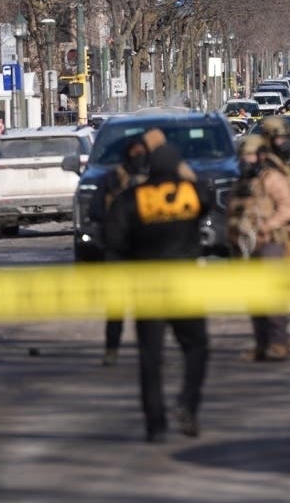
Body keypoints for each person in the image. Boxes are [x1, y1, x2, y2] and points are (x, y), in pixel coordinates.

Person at [103, 143, 212, 443]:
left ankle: (156, 425)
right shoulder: (191, 193)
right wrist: (185, 173)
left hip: (148, 285)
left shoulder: (132, 199)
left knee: (150, 358)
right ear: (177, 166)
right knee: (196, 347)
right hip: (186, 284)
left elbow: (113, 238)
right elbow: (208, 197)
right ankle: (188, 404)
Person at [226, 118, 290, 361]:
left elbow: (287, 208)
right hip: (247, 247)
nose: (245, 161)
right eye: (242, 157)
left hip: (271, 241)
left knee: (273, 298)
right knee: (255, 300)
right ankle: (262, 344)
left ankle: (278, 343)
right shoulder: (241, 183)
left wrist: (265, 226)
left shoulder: (272, 177)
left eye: (248, 156)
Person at [87, 128, 167, 366]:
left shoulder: (155, 178)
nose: (138, 156)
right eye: (135, 152)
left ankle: (151, 352)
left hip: (146, 252)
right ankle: (113, 350)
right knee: (117, 308)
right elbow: (96, 211)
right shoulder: (113, 178)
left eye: (141, 152)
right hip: (120, 252)